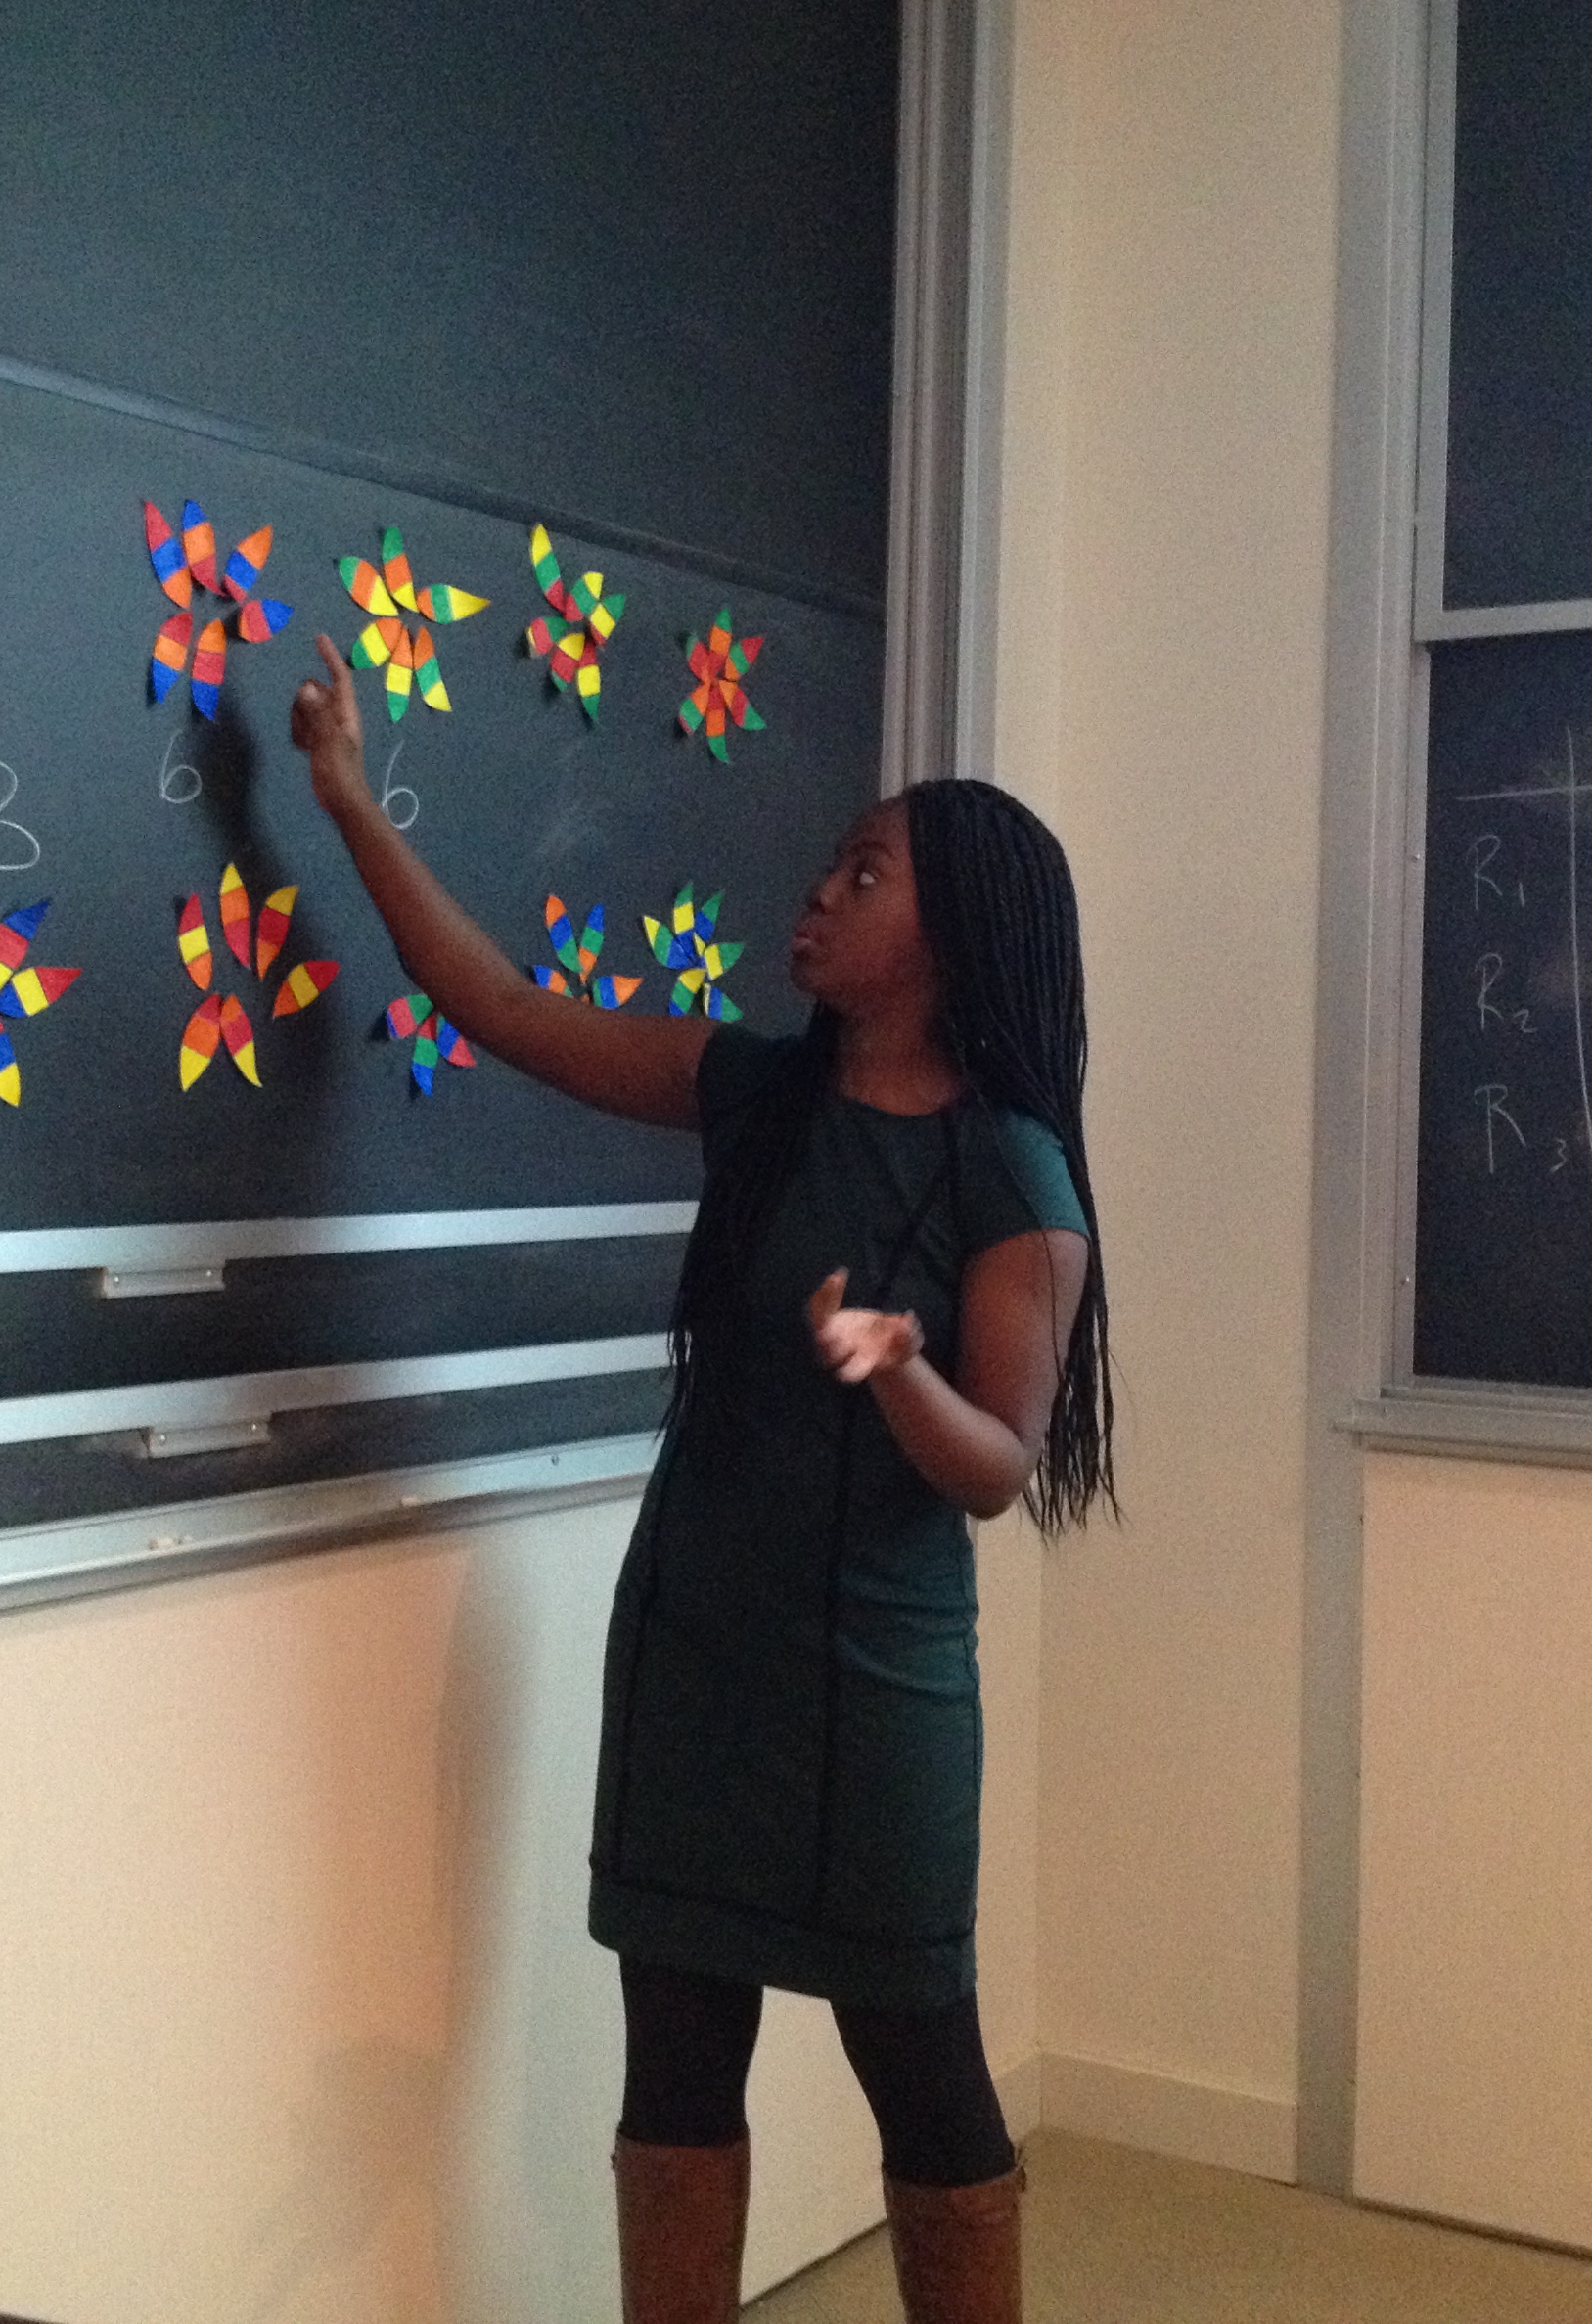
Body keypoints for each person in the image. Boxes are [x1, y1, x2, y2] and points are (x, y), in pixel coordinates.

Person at [290, 638, 1114, 2324]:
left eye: (862, 873)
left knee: (928, 2074)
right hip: (692, 1658)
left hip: (873, 1694)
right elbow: (505, 1011)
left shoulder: (1011, 1169)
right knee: (675, 2070)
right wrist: (345, 802)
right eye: (830, 864)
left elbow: (997, 1467)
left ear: (945, 940)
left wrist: (900, 1370)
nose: (816, 893)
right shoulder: (760, 1096)